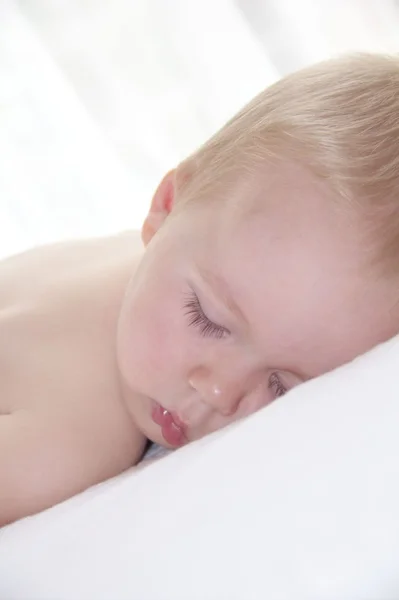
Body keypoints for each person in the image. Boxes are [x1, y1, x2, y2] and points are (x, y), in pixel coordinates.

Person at [1, 53, 399, 527]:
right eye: (205, 318)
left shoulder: (151, 256)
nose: (219, 391)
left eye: (282, 386)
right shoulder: (67, 446)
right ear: (167, 203)